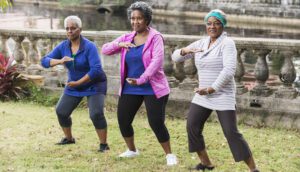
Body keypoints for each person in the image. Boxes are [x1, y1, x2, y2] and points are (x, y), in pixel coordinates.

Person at [172, 9, 259, 172]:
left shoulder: (227, 43)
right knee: (192, 126)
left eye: (217, 23)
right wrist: (184, 51)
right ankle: (206, 163)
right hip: (202, 95)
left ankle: (254, 169)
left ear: (223, 26)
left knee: (231, 133)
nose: (212, 26)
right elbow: (175, 58)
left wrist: (212, 88)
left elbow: (229, 70)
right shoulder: (201, 43)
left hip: (221, 94)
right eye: (209, 23)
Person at [101, 1, 177, 166]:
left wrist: (141, 79)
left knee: (156, 122)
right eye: (133, 18)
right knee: (123, 119)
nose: (135, 22)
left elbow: (156, 62)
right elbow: (105, 49)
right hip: (130, 87)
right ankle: (132, 150)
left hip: (153, 87)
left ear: (147, 19)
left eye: (139, 18)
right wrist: (119, 44)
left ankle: (169, 154)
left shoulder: (155, 37)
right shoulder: (128, 37)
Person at [41, 16, 109, 152]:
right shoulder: (63, 46)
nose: (70, 31)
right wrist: (59, 61)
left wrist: (78, 82)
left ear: (80, 29)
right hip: (74, 85)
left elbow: (96, 69)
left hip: (94, 84)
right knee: (61, 111)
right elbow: (44, 61)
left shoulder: (89, 46)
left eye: (73, 28)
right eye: (67, 28)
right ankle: (69, 139)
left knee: (96, 114)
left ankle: (103, 145)